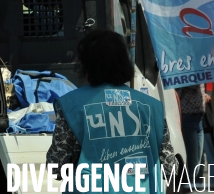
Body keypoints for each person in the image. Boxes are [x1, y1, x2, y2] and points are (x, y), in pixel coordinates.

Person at [47, 30, 178, 193]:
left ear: (87, 65)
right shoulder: (151, 107)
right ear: (123, 61)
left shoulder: (72, 105)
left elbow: (57, 165)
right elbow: (168, 167)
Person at [176, 84, 207, 181]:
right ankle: (191, 187)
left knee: (199, 160)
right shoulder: (187, 75)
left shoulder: (197, 73)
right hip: (188, 117)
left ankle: (195, 186)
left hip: (199, 118)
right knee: (193, 162)